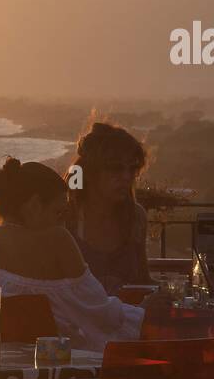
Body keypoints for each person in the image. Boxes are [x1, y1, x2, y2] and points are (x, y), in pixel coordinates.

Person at [0, 158, 161, 379]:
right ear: (34, 205)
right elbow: (102, 315)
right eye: (58, 212)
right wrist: (147, 311)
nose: (61, 221)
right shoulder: (57, 240)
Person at [65, 121, 153, 296]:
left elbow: (143, 281)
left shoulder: (136, 217)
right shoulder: (67, 219)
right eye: (116, 168)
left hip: (126, 320)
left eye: (132, 169)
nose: (127, 177)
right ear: (90, 172)